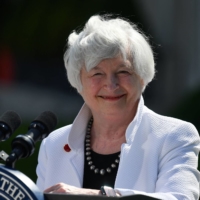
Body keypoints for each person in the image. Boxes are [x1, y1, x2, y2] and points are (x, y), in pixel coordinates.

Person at [36, 14, 200, 199]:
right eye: (97, 73)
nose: (111, 84)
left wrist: (94, 196)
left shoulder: (174, 136)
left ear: (142, 76)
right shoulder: (54, 145)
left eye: (123, 71)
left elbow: (180, 198)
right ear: (79, 81)